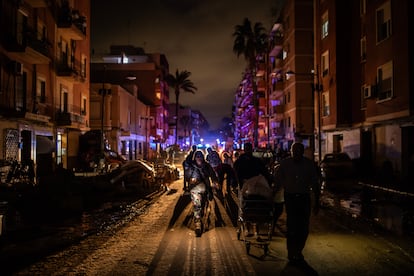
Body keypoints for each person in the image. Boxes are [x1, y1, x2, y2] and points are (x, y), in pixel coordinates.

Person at [274, 142, 320, 269]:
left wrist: (317, 201)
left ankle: (298, 250)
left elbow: (315, 183)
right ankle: (291, 251)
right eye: (295, 151)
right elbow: (278, 181)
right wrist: (273, 195)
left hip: (304, 198)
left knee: (303, 227)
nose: (297, 154)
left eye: (299, 151)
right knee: (292, 225)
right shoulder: (284, 164)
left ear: (302, 151)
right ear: (291, 151)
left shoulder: (309, 165)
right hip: (291, 198)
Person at [187, 150, 218, 235]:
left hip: (206, 189)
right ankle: (198, 224)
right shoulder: (192, 166)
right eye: (197, 157)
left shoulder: (207, 166)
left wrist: (215, 182)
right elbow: (187, 175)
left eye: (200, 157)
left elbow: (213, 174)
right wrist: (191, 179)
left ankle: (201, 217)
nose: (199, 159)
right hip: (195, 189)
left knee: (204, 204)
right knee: (197, 205)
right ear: (195, 158)